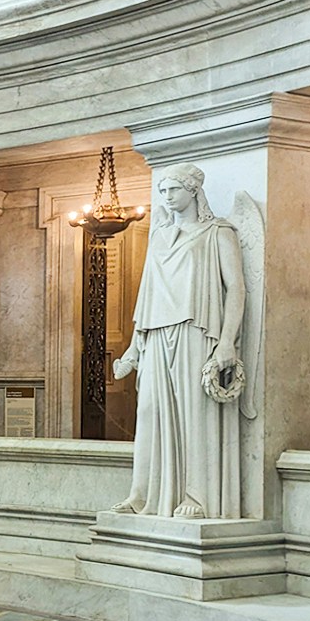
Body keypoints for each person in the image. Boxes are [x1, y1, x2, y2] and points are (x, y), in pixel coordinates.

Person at [112, 165, 244, 520]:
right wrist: (133, 348)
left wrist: (227, 341)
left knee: (192, 414)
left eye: (173, 190)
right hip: (155, 334)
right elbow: (147, 294)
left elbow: (236, 289)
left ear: (193, 191)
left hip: (194, 332)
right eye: (163, 191)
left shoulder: (217, 233)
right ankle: (144, 496)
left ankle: (195, 496)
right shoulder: (159, 236)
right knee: (149, 412)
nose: (167, 197)